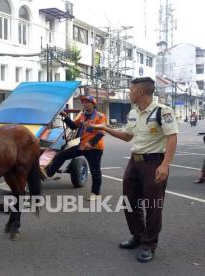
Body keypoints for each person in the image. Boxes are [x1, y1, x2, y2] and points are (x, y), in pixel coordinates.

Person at [89, 77, 178, 263]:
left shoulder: (162, 111)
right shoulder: (133, 112)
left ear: (140, 92)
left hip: (154, 163)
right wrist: (105, 128)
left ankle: (149, 244)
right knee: (129, 202)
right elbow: (127, 136)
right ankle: (137, 236)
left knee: (153, 207)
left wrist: (165, 165)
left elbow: (172, 138)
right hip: (134, 162)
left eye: (131, 90)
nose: (129, 93)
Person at [46, 95, 107, 201]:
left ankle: (96, 193)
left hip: (95, 148)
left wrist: (91, 144)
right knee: (61, 155)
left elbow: (101, 132)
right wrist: (65, 116)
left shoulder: (100, 116)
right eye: (83, 102)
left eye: (87, 102)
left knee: (95, 171)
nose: (84, 104)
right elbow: (74, 126)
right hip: (82, 146)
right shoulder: (83, 116)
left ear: (93, 104)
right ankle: (49, 174)